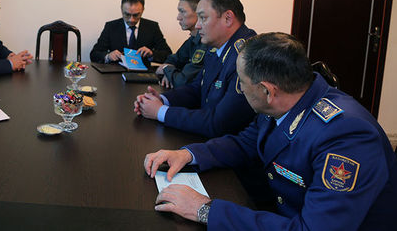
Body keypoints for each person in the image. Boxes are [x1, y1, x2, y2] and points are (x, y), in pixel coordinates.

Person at [144, 32, 397, 230]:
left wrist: (205, 210)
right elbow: (246, 143)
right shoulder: (289, 99)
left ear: (267, 91)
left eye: (242, 83)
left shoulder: (346, 136)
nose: (240, 89)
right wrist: (188, 154)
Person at [134, 0, 256, 137]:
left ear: (228, 18)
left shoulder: (247, 57)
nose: (197, 25)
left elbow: (220, 123)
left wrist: (161, 112)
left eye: (203, 18)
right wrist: (162, 100)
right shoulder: (216, 47)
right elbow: (197, 88)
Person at [90, 0, 172, 66]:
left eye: (136, 15)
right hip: (116, 73)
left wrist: (152, 54)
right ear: (121, 9)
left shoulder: (152, 27)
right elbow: (94, 54)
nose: (131, 20)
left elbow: (168, 54)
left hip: (143, 74)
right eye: (127, 14)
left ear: (143, 10)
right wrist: (108, 56)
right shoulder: (111, 26)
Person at [155, 0, 207, 89]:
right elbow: (173, 59)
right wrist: (169, 72)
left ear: (198, 13)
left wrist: (166, 69)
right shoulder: (192, 40)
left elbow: (182, 81)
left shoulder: (205, 42)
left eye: (182, 11)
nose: (178, 17)